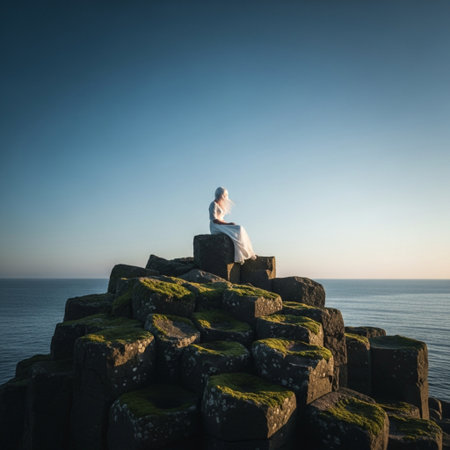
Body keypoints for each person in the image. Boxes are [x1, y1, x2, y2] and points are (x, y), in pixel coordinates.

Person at [209, 187, 257, 264]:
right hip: (215, 226)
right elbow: (214, 220)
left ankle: (245, 251)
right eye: (224, 195)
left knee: (239, 228)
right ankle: (242, 253)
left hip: (219, 224)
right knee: (238, 228)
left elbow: (220, 219)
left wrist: (229, 224)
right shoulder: (213, 204)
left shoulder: (219, 204)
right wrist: (228, 224)